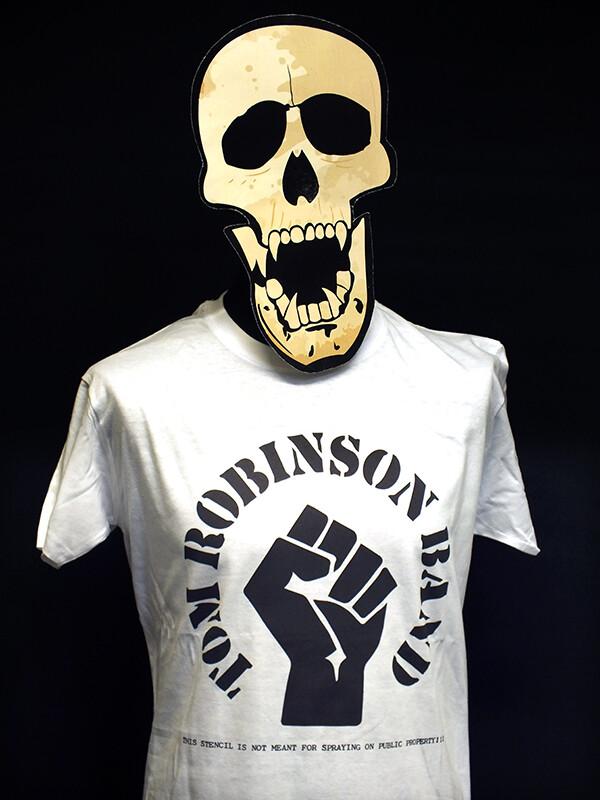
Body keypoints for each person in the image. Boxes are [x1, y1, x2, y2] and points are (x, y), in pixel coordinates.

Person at [36, 14, 540, 800]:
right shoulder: (127, 389)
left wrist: (335, 666)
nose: (301, 179)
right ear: (213, 181)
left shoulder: (468, 378)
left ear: (379, 163)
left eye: (338, 135)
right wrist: (317, 663)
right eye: (253, 146)